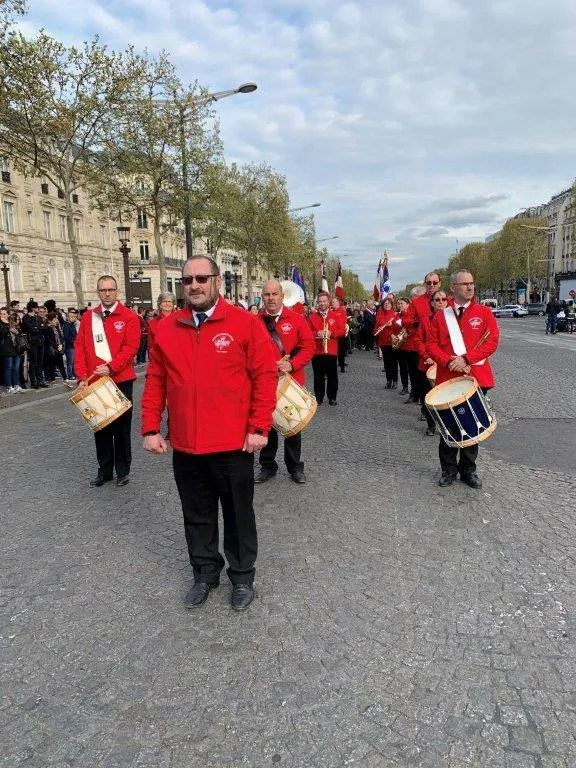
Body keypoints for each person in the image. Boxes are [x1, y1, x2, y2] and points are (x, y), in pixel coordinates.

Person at [141, 256, 277, 611]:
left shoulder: (245, 323)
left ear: (216, 280)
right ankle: (204, 572)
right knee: (196, 513)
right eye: (187, 280)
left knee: (237, 513)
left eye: (202, 278)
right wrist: (151, 426)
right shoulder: (166, 328)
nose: (195, 285)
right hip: (186, 445)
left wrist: (259, 426)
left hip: (234, 444)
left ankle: (243, 575)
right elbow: (156, 379)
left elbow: (265, 376)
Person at [426, 270, 499, 489]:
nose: (470, 287)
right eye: (464, 284)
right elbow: (430, 345)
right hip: (448, 376)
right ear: (453, 288)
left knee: (472, 426)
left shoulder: (484, 312)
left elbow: (492, 342)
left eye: (472, 283)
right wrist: (449, 361)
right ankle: (448, 469)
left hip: (474, 377)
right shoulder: (440, 316)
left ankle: (469, 469)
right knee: (448, 426)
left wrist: (466, 358)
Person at [74, 275, 141, 488]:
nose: (107, 293)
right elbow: (80, 347)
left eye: (111, 289)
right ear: (98, 292)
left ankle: (123, 471)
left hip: (120, 379)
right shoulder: (88, 318)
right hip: (94, 381)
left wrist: (111, 367)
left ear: (117, 291)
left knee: (121, 429)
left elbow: (131, 348)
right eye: (103, 290)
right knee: (100, 428)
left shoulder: (129, 316)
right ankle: (104, 471)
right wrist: (82, 377)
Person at [255, 280, 315, 485]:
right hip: (264, 383)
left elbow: (309, 347)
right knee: (265, 426)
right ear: (262, 297)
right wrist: (270, 366)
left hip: (291, 382)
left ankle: (295, 467)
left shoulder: (297, 319)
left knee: (293, 426)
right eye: (267, 295)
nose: (271, 298)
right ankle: (267, 466)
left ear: (282, 296)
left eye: (274, 294)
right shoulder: (254, 322)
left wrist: (293, 364)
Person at [308, 292, 346, 406]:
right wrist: (317, 333)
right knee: (318, 376)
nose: (322, 303)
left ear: (328, 302)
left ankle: (332, 397)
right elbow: (306, 333)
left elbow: (342, 331)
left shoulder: (335, 316)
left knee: (332, 377)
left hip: (331, 351)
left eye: (324, 301)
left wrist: (332, 333)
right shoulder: (312, 317)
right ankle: (319, 397)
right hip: (317, 351)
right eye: (320, 302)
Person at [21, 301, 48, 389]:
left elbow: (44, 327)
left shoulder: (37, 317)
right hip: (32, 343)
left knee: (40, 362)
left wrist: (40, 327)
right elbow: (33, 329)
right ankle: (33, 382)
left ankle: (40, 380)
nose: (38, 309)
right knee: (33, 363)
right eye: (36, 307)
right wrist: (40, 327)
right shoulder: (26, 318)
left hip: (40, 342)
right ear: (33, 308)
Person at [374, 297, 397, 388]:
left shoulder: (395, 314)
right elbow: (375, 328)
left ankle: (395, 381)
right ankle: (388, 380)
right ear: (382, 305)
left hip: (393, 342)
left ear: (391, 305)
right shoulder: (379, 314)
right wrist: (377, 330)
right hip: (383, 341)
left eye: (388, 303)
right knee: (386, 362)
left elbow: (399, 328)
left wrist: (392, 325)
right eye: (385, 303)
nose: (387, 305)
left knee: (394, 362)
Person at [0, 307, 19, 394]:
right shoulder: (2, 324)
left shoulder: (10, 322)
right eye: (1, 314)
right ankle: (8, 386)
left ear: (7, 315)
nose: (2, 316)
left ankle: (16, 385)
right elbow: (2, 334)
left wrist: (16, 332)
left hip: (15, 347)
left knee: (15, 368)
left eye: (4, 314)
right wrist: (6, 325)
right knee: (8, 367)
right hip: (6, 348)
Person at [331, 297, 349, 372]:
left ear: (338, 303)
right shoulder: (330, 311)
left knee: (341, 351)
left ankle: (342, 366)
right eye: (332, 302)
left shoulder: (342, 310)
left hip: (340, 334)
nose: (333, 303)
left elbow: (344, 321)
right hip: (333, 334)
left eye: (334, 302)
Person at [62, 308, 80, 382]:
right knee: (70, 362)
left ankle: (73, 374)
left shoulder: (72, 325)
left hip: (73, 345)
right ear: (68, 317)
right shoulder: (66, 325)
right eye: (72, 317)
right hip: (69, 347)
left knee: (74, 361)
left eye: (75, 317)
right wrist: (73, 341)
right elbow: (66, 337)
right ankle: (70, 375)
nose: (74, 318)